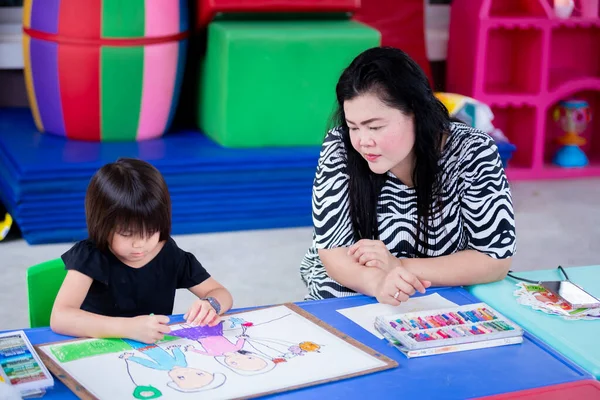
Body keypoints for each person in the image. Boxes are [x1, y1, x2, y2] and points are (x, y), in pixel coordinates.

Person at [300, 47, 516, 304]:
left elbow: (494, 260)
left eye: (376, 127)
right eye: (353, 127)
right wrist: (379, 283)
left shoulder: (472, 151)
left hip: (442, 299)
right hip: (352, 291)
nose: (363, 141)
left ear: (416, 113)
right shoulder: (340, 147)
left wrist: (397, 266)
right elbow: (333, 255)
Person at [50, 158, 233, 343]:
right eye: (127, 234)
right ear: (101, 224)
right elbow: (60, 317)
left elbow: (220, 292)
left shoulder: (169, 253)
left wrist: (211, 305)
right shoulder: (90, 255)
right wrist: (128, 328)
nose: (140, 244)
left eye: (151, 232)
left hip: (152, 350)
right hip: (100, 348)